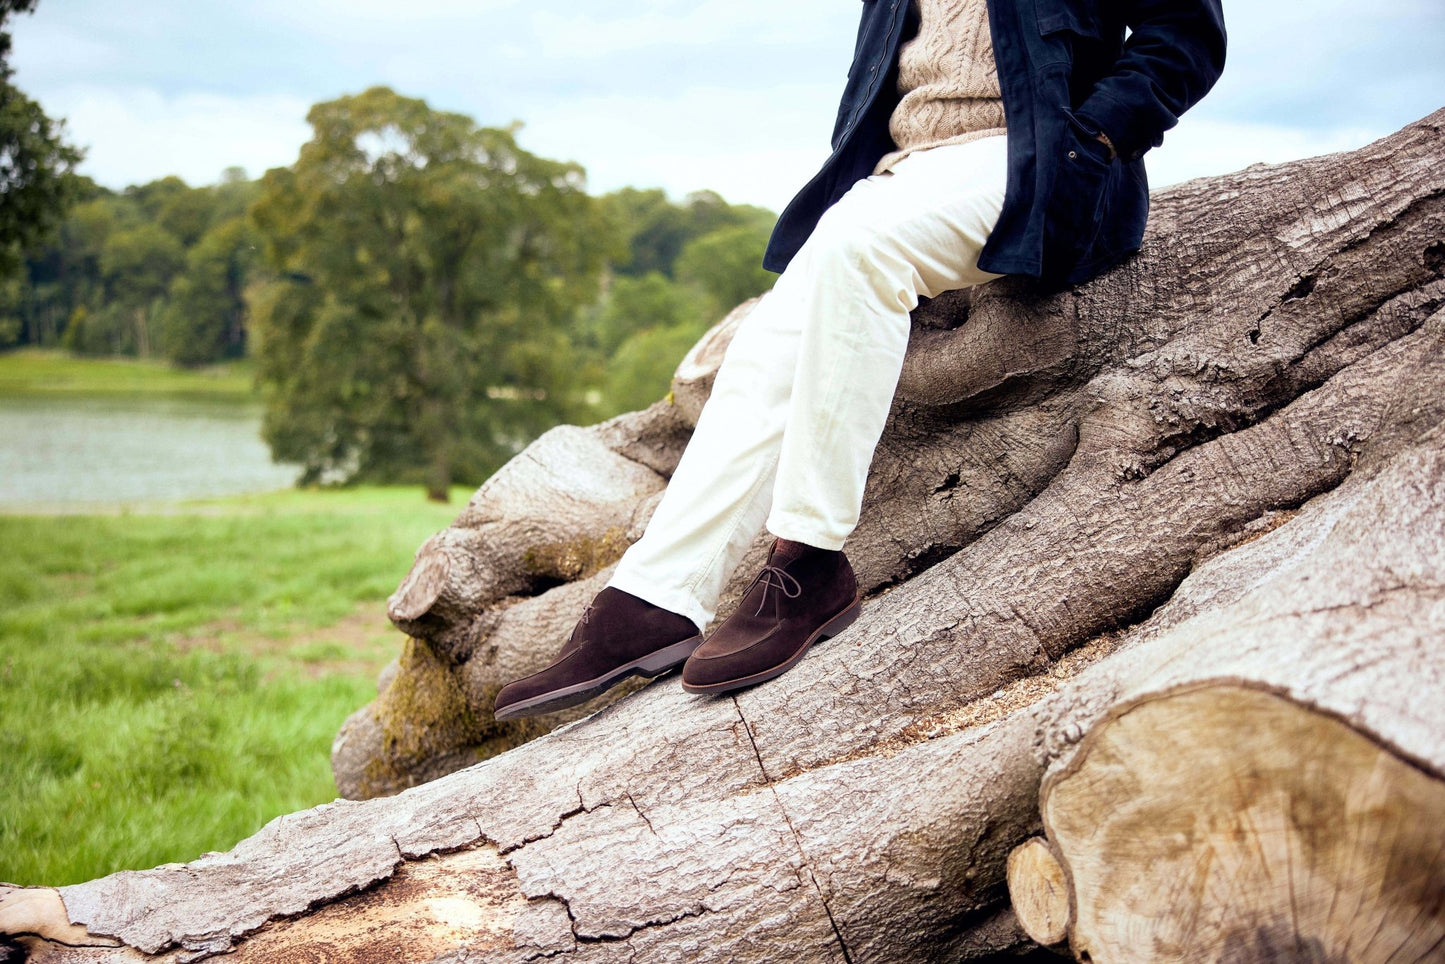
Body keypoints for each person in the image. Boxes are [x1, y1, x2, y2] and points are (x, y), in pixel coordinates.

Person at [493, 0, 1226, 720]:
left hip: (1035, 161)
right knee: (765, 351)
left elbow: (1185, 35)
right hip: (901, 174)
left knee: (855, 250)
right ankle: (657, 595)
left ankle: (807, 562)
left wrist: (1093, 138)